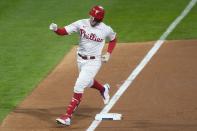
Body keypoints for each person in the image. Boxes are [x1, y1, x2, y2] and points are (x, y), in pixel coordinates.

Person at [49, 5, 117, 126]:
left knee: (79, 85)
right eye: (91, 16)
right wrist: (55, 29)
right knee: (87, 81)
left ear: (99, 19)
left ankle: (67, 116)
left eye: (94, 18)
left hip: (94, 62)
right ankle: (103, 89)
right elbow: (63, 31)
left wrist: (108, 53)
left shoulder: (105, 29)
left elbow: (113, 38)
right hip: (80, 59)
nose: (91, 19)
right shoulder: (81, 23)